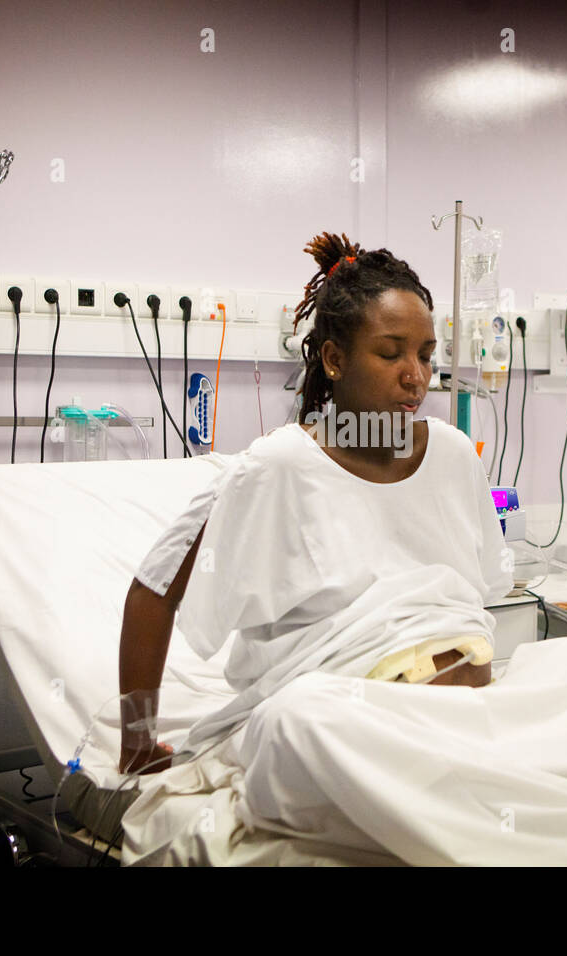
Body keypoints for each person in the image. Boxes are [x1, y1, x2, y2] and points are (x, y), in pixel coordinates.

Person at [118, 232, 513, 773]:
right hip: (337, 717)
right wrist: (137, 745)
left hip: (466, 715)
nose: (416, 377)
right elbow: (153, 591)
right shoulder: (279, 467)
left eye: (425, 355)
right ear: (333, 359)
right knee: (298, 727)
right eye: (390, 353)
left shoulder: (453, 455)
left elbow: (486, 588)